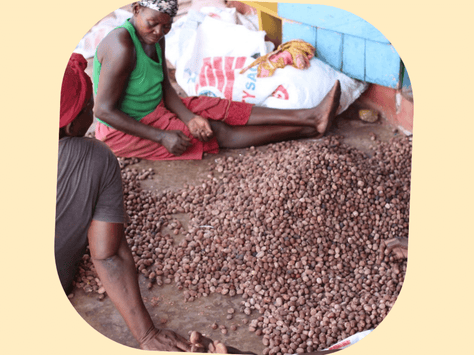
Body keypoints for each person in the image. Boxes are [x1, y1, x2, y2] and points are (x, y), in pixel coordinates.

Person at [56, 52, 227, 352]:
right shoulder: (95, 156)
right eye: (88, 107)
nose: (94, 112)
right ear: (72, 127)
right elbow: (108, 255)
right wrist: (146, 334)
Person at [93, 0, 342, 161]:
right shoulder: (122, 46)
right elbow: (103, 110)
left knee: (221, 107)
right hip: (122, 130)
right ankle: (308, 128)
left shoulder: (157, 37)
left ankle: (310, 116)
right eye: (152, 24)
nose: (158, 32)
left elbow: (165, 87)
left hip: (157, 108)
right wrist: (161, 136)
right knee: (215, 131)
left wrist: (189, 117)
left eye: (166, 27)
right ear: (136, 10)